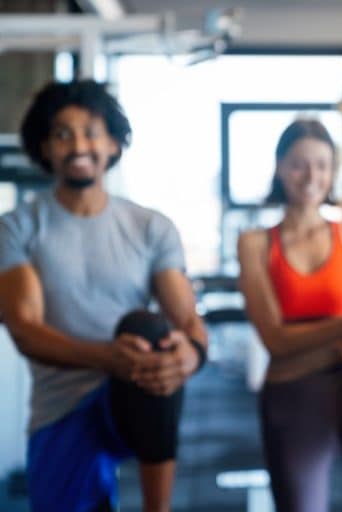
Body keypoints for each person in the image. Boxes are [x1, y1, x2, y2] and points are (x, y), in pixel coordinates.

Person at [0, 80, 208, 512]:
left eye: (91, 131)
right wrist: (108, 356)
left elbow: (188, 323)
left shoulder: (150, 227)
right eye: (63, 133)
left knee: (151, 329)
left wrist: (193, 354)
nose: (79, 144)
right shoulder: (18, 227)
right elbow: (25, 331)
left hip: (134, 391)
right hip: (61, 405)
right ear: (45, 147)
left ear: (112, 143)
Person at [237, 119, 342, 512]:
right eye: (299, 164)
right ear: (279, 167)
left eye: (322, 165)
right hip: (295, 397)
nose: (311, 176)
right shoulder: (255, 244)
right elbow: (276, 340)